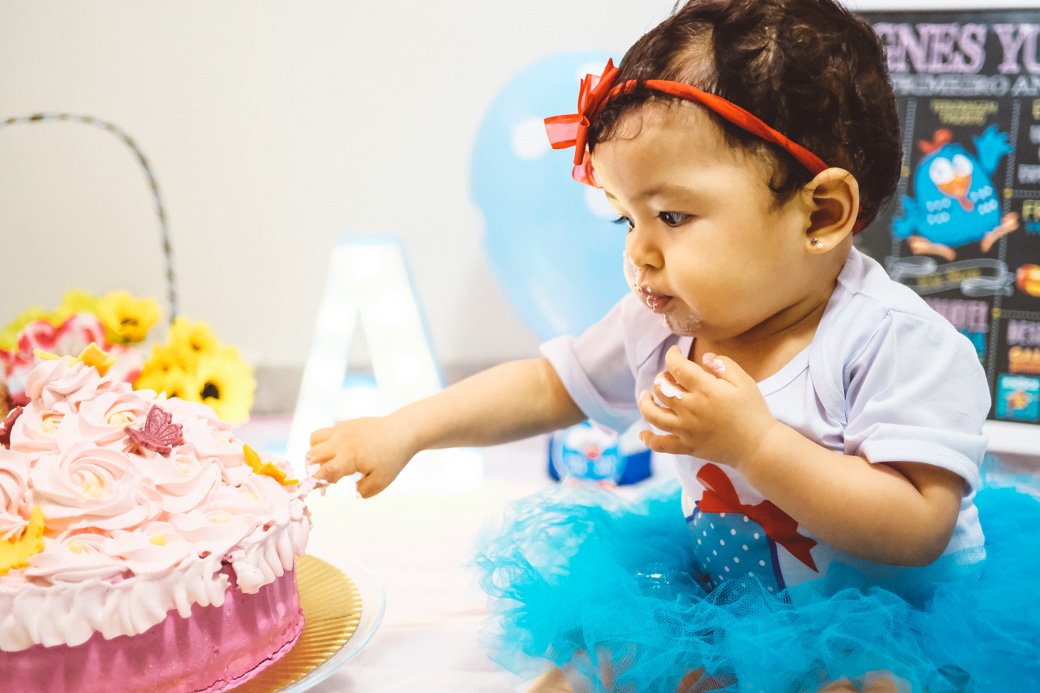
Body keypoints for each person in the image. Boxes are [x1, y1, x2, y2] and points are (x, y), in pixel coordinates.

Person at [308, 1, 1040, 690]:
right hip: (736, 595)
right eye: (626, 219)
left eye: (673, 216)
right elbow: (547, 386)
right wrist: (408, 428)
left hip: (894, 617)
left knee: (869, 682)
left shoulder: (893, 341)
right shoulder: (662, 323)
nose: (639, 254)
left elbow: (918, 525)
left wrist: (757, 445)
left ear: (820, 214)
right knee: (600, 656)